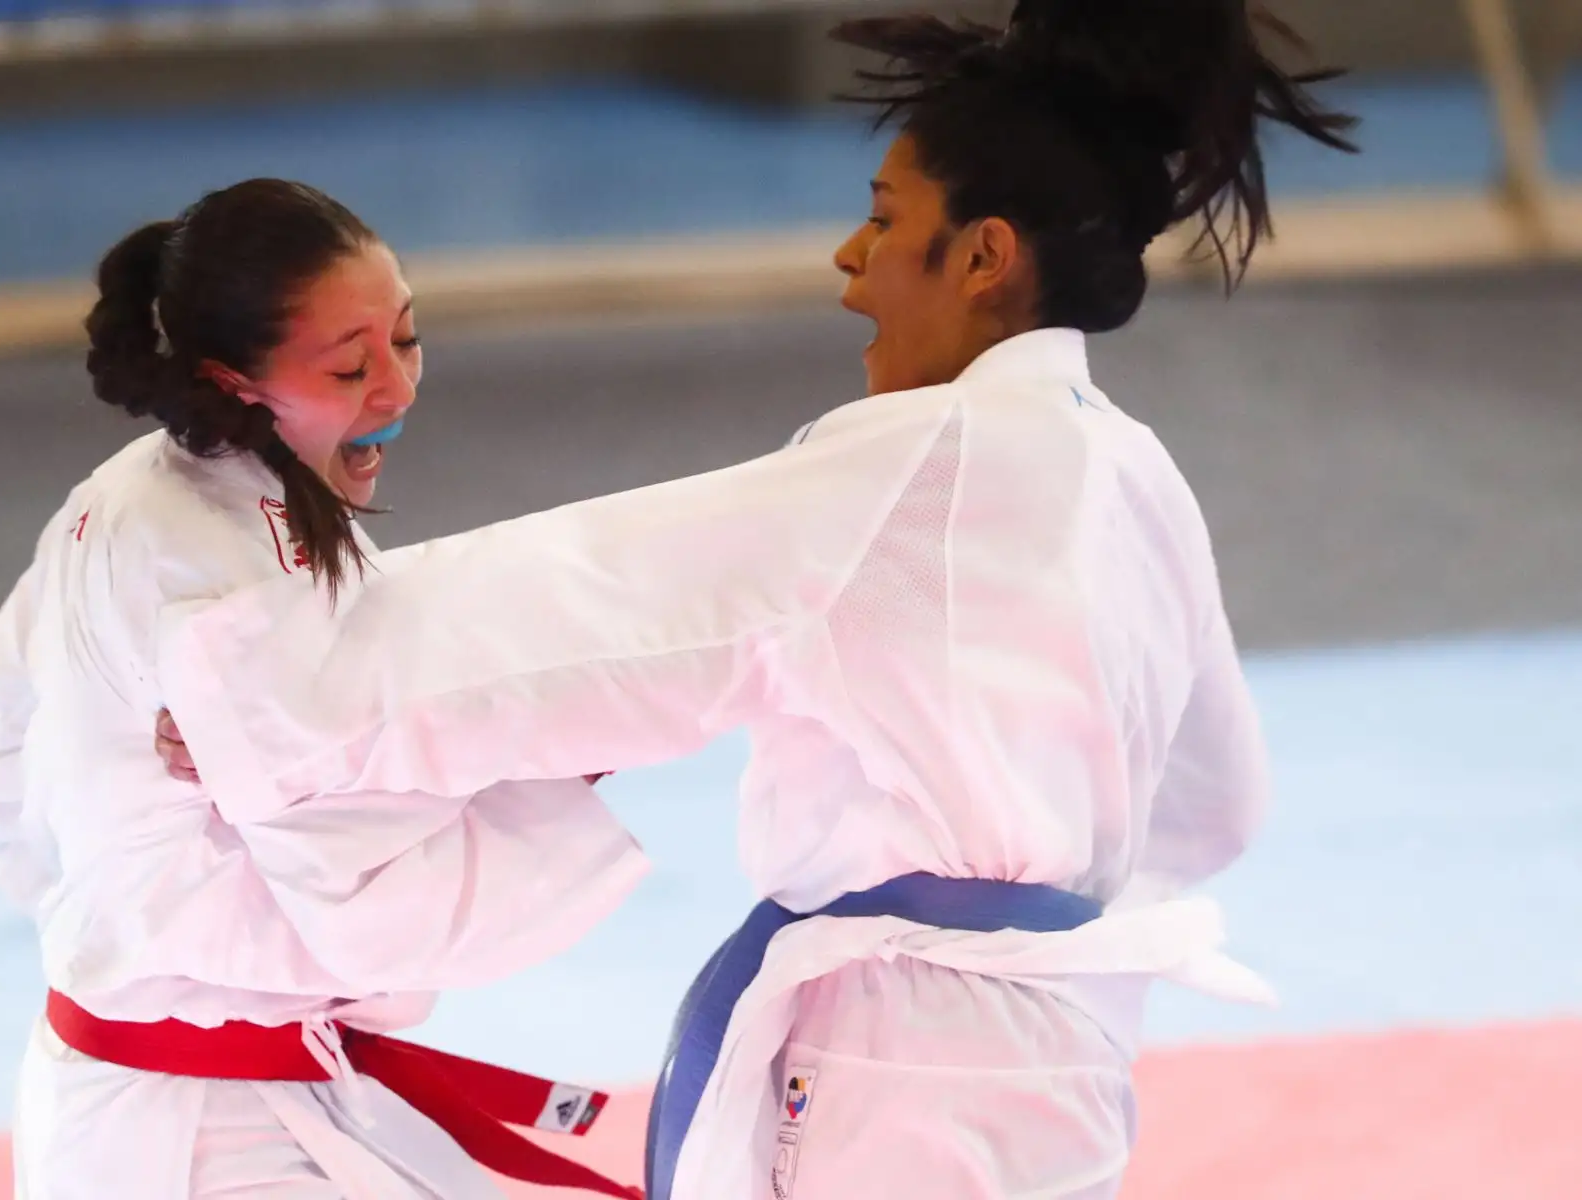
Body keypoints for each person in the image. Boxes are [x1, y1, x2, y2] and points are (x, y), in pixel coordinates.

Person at [152, 4, 1359, 1196]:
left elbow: (600, 602)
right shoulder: (1135, 475)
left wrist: (264, 691)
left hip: (905, 1070)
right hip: (1067, 1062)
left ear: (984, 257)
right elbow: (1215, 802)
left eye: (885, 219)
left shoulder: (919, 467)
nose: (849, 258)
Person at [0, 178, 647, 1200]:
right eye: (351, 366)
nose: (397, 390)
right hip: (196, 1137)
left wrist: (113, 903)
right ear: (232, 382)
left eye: (407, 340)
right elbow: (376, 894)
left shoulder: (135, 492)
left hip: (166, 1087)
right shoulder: (229, 571)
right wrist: (575, 723)